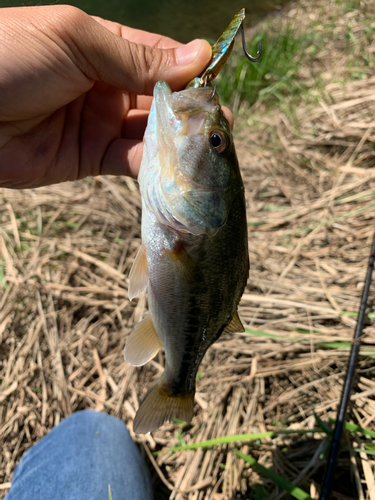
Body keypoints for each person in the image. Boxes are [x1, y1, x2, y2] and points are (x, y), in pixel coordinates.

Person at [1, 6, 234, 498]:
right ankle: (176, 384)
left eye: (213, 142)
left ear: (213, 205)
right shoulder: (183, 234)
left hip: (177, 275)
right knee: (98, 435)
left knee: (95, 434)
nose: (207, 130)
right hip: (176, 256)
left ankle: (177, 383)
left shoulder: (187, 236)